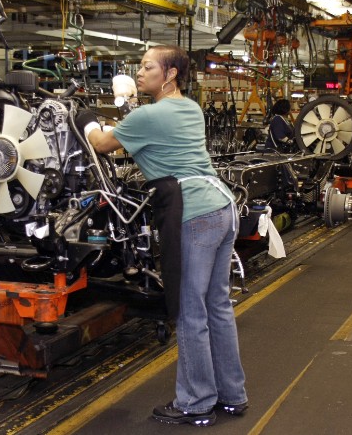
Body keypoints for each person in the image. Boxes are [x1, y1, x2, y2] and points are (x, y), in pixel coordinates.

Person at [75, 45, 248, 427]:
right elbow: (146, 132)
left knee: (188, 310)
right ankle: (232, 395)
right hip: (221, 207)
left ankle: (197, 401)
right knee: (217, 306)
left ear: (169, 74)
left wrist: (84, 117)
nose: (139, 72)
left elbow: (102, 143)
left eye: (147, 66)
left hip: (195, 214)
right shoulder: (188, 107)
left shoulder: (151, 115)